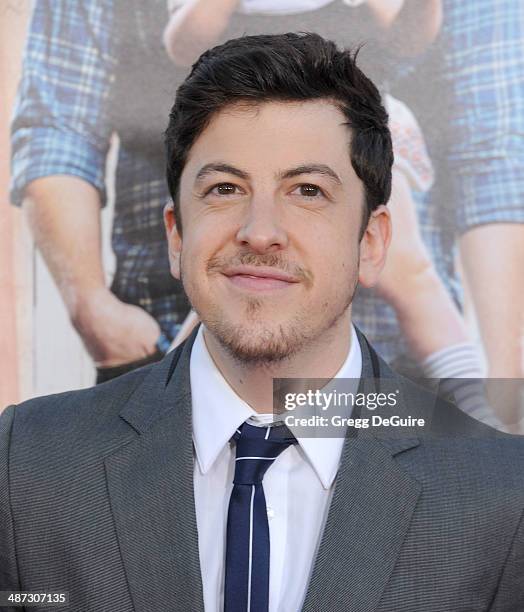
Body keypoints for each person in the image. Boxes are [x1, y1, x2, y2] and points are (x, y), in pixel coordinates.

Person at [1, 33, 523, 611]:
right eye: (226, 188)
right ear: (176, 235)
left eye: (307, 190)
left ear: (372, 242)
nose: (261, 230)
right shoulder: (26, 464)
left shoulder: (502, 493)